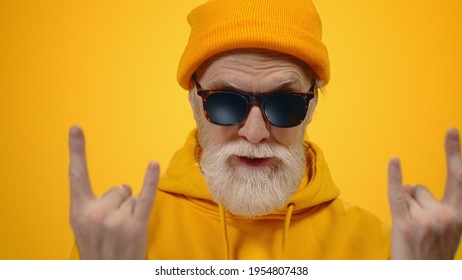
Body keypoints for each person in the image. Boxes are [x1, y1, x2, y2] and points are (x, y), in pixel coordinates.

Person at [68, 0, 462, 259]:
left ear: (311, 108)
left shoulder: (382, 249)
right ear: (195, 103)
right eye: (225, 102)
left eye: (284, 103)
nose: (254, 133)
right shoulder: (116, 241)